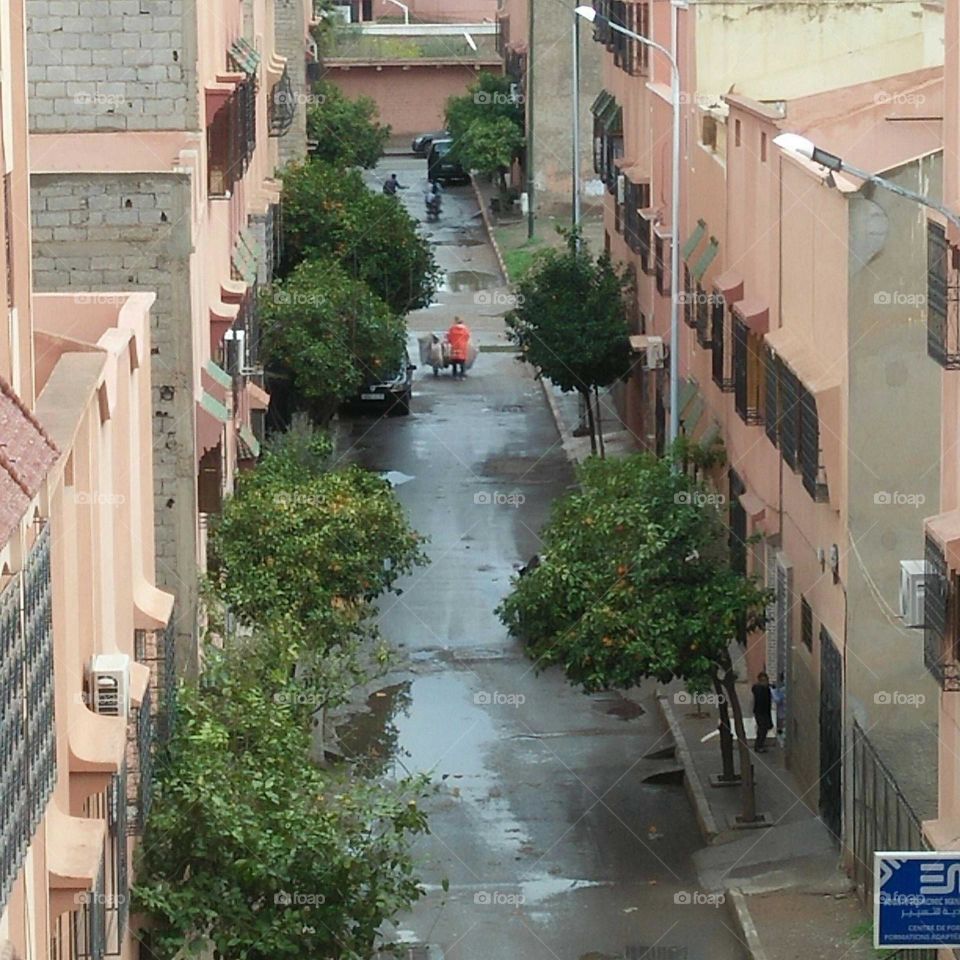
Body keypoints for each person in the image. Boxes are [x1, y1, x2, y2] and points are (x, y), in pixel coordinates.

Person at [752, 672, 773, 752]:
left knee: (763, 729)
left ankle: (759, 745)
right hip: (760, 712)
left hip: (765, 712)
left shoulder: (765, 688)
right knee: (762, 729)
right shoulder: (759, 689)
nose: (766, 682)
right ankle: (758, 746)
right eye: (763, 681)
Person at [772, 674, 786, 742]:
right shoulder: (782, 690)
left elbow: (777, 700)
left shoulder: (782, 690)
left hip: (783, 714)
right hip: (782, 713)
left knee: (782, 729)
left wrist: (772, 691)